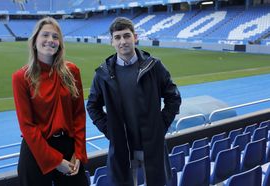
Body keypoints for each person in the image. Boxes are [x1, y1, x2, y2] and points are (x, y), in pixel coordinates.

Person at [87, 17, 181, 186]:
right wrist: (110, 131)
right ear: (111, 42)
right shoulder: (103, 74)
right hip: (122, 149)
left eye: (126, 36)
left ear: (135, 37)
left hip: (152, 146)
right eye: (117, 37)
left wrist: (161, 125)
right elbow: (92, 106)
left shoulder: (154, 66)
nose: (122, 41)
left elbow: (173, 96)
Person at [12, 17, 88, 186]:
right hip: (36, 151)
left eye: (55, 37)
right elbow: (27, 126)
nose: (50, 40)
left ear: (60, 43)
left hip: (69, 149)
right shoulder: (21, 78)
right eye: (45, 35)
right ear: (35, 41)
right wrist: (55, 161)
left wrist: (79, 151)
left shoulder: (72, 71)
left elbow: (79, 115)